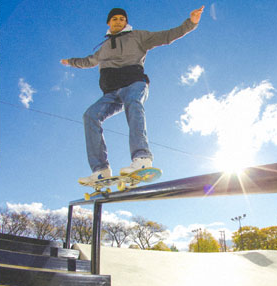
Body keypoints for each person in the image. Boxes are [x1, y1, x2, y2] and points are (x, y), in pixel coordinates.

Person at [61, 6, 204, 184]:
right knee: (90, 115)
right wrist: (70, 62)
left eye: (122, 19)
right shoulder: (103, 48)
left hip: (134, 84)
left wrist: (190, 23)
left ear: (126, 22)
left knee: (133, 104)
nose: (119, 21)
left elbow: (166, 36)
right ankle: (100, 170)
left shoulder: (138, 36)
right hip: (112, 92)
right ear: (109, 23)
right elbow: (88, 61)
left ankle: (142, 158)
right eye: (115, 19)